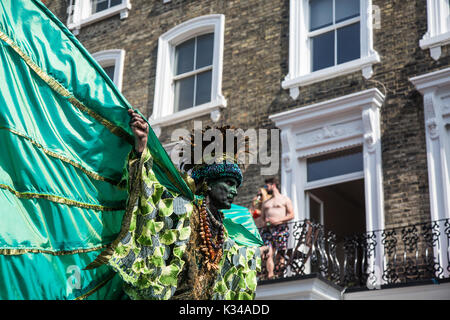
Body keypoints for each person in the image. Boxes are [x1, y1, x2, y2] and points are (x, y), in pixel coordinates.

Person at [86, 110, 262, 300]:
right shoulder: (182, 211)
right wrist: (142, 147)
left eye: (236, 185)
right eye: (228, 183)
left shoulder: (226, 235)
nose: (234, 191)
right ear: (209, 184)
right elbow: (149, 197)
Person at [260, 177, 294, 279]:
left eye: (267, 186)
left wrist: (278, 221)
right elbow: (262, 218)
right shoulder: (265, 203)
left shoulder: (285, 199)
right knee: (268, 253)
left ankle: (279, 275)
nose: (266, 189)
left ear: (273, 185)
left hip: (281, 228)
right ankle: (270, 275)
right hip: (268, 230)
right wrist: (266, 221)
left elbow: (291, 215)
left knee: (280, 253)